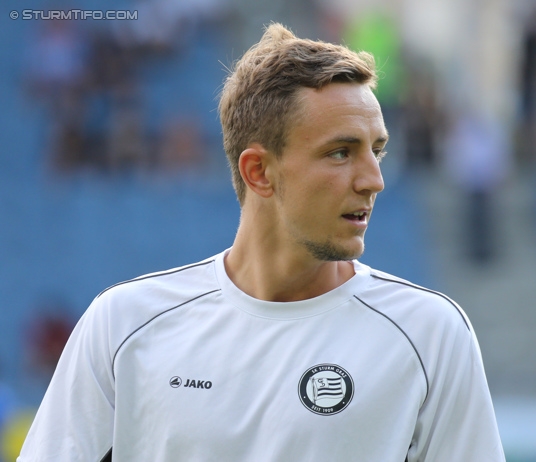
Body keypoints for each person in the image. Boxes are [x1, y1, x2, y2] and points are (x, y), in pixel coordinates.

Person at [19, 24, 505, 461]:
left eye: (377, 151)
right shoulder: (124, 324)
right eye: (341, 152)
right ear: (259, 172)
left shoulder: (430, 334)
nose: (374, 180)